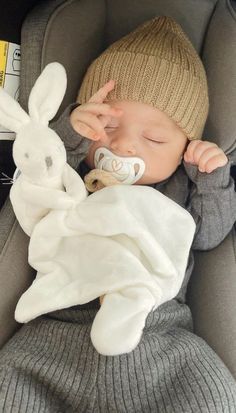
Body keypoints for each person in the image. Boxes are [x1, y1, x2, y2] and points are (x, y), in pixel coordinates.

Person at [0, 16, 236, 413]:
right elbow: (38, 176)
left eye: (155, 138)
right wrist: (69, 134)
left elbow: (208, 236)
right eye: (108, 126)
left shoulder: (177, 189)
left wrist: (212, 180)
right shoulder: (74, 172)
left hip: (160, 339)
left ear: (184, 148)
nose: (125, 145)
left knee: (215, 396)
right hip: (56, 333)